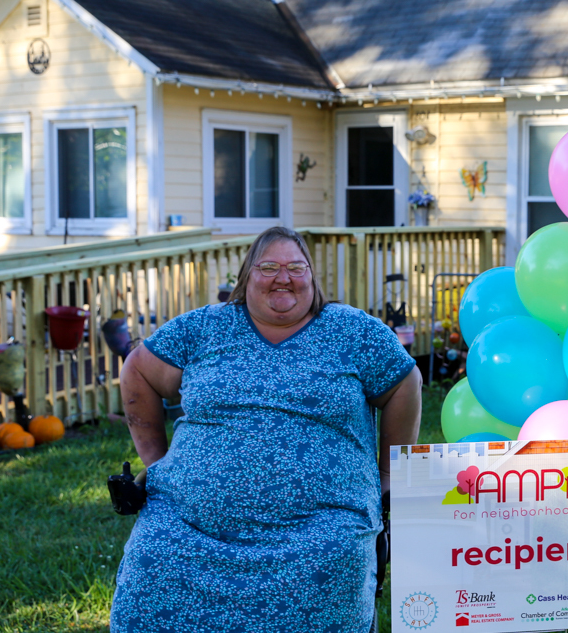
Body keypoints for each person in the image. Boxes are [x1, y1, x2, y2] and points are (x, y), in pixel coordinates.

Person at [110, 226, 422, 633]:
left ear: (312, 276)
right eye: (269, 266)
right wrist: (158, 460)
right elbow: (137, 371)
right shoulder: (205, 328)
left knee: (333, 561)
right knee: (153, 561)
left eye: (296, 266)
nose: (283, 277)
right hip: (189, 522)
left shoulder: (353, 331)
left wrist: (386, 475)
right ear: (246, 277)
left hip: (321, 525)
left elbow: (404, 382)